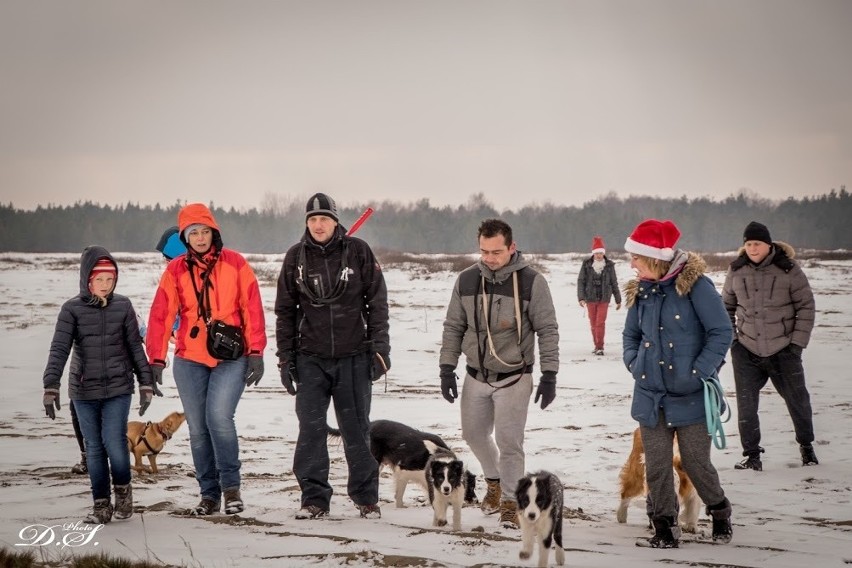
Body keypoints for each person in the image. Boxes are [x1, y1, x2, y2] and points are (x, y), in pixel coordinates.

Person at [146, 203, 267, 516]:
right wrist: (156, 357)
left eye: (205, 231)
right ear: (185, 238)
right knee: (198, 429)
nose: (200, 238)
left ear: (215, 232)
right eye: (193, 233)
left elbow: (252, 308)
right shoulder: (174, 271)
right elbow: (161, 315)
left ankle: (231, 490)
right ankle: (208, 495)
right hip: (190, 358)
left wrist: (256, 352)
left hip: (232, 356)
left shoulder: (236, 264)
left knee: (219, 419)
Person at [275, 193, 390, 521]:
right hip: (310, 359)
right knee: (310, 430)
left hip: (353, 358)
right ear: (306, 224)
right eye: (312, 219)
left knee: (356, 430)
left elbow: (377, 303)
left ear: (336, 221)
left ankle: (366, 498)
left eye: (324, 218)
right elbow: (285, 311)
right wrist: (285, 359)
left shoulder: (358, 252)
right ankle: (314, 499)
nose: (318, 224)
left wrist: (380, 350)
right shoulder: (295, 257)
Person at [439, 218, 559, 530]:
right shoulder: (466, 280)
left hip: (515, 377)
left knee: (509, 441)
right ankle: (493, 480)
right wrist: (446, 368)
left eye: (497, 252)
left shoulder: (533, 282)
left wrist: (549, 374)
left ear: (512, 248)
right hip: (476, 376)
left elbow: (547, 330)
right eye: (484, 252)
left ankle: (510, 501)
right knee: (474, 435)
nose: (490, 258)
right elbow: (454, 325)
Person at [622, 219, 733, 548]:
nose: (632, 264)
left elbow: (721, 332)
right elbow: (630, 336)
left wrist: (699, 371)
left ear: (655, 258)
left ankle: (720, 510)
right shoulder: (640, 290)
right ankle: (664, 528)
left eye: (636, 258)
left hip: (692, 394)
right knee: (655, 465)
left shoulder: (697, 287)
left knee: (695, 463)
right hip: (650, 394)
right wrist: (634, 362)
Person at [42, 246, 154, 524]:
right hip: (84, 390)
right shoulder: (72, 309)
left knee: (114, 443)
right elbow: (59, 349)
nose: (105, 285)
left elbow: (134, 347)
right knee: (93, 447)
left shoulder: (123, 306)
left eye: (110, 279)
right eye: (99, 279)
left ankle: (124, 493)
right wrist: (51, 385)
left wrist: (146, 382)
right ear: (87, 279)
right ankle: (101, 504)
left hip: (118, 387)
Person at [722, 221, 817, 471]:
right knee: (746, 405)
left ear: (768, 244)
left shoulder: (789, 269)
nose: (752, 248)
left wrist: (796, 344)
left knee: (798, 400)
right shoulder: (736, 270)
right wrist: (734, 341)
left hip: (784, 349)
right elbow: (725, 308)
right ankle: (752, 456)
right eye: (748, 244)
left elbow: (806, 307)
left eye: (757, 243)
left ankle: (807, 448)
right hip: (746, 349)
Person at [577, 235, 622, 355]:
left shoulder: (609, 266)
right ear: (593, 253)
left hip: (604, 298)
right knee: (593, 323)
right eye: (596, 253)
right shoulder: (586, 265)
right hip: (590, 298)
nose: (599, 255)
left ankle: (600, 347)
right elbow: (581, 281)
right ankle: (596, 345)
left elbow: (614, 282)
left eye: (601, 253)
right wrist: (581, 298)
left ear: (603, 253)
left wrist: (618, 299)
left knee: (600, 322)